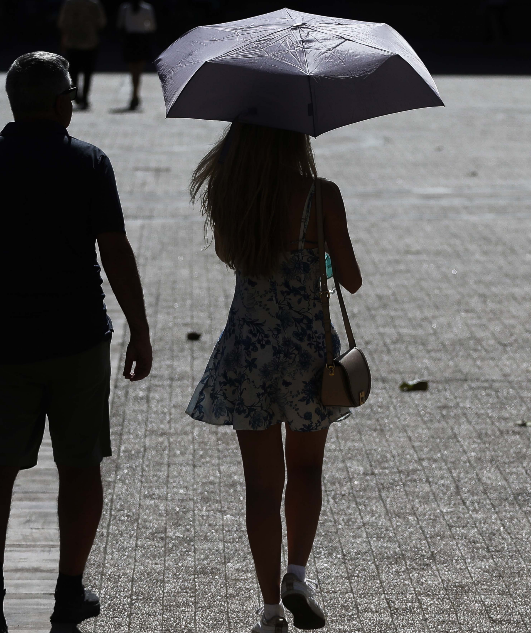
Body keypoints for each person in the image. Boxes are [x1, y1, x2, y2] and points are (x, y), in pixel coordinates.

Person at [0, 51, 152, 633]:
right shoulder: (87, 162)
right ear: (62, 101)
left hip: (2, 341)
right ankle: (68, 589)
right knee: (80, 465)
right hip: (77, 337)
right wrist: (138, 326)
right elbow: (113, 248)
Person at [185, 123, 362, 633]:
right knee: (306, 469)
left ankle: (268, 610)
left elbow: (229, 256)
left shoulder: (232, 194)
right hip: (309, 352)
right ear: (294, 140)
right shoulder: (319, 195)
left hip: (249, 348)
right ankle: (298, 576)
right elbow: (350, 278)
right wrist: (317, 252)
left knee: (260, 487)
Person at [58, 0, 107, 109]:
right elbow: (101, 23)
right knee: (88, 72)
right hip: (90, 42)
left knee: (73, 72)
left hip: (72, 42)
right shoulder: (94, 4)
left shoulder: (69, 4)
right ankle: (85, 98)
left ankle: (77, 96)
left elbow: (62, 23)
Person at [117, 0, 156, 110]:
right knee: (138, 70)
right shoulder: (147, 8)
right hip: (141, 40)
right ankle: (135, 94)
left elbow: (120, 24)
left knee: (132, 69)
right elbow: (152, 26)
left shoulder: (125, 8)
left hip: (130, 39)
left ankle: (134, 94)